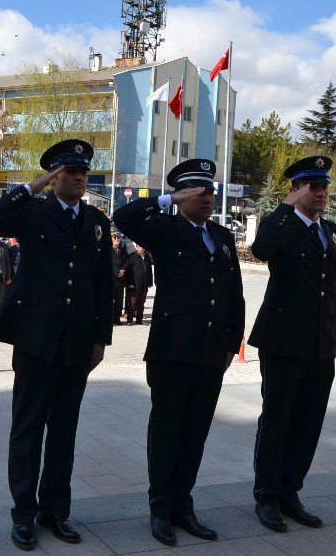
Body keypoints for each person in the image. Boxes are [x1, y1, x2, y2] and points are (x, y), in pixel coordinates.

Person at [0, 139, 113, 550]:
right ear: (54, 177)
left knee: (64, 431)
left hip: (77, 342)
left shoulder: (95, 220)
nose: (77, 177)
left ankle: (54, 511)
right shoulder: (33, 211)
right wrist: (33, 186)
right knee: (28, 429)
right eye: (68, 171)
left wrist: (100, 337)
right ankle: (23, 515)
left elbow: (101, 282)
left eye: (82, 172)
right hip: (36, 340)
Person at [113, 158, 246, 546]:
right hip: (173, 351)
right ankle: (160, 509)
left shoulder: (221, 236)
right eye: (199, 191)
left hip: (210, 352)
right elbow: (124, 215)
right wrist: (167, 198)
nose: (207, 197)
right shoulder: (164, 229)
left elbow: (233, 294)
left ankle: (183, 505)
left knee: (195, 433)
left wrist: (231, 342)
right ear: (184, 194)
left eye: (210, 190)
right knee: (167, 432)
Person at [249, 155, 336, 533]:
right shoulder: (283, 227)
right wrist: (283, 208)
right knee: (277, 420)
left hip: (322, 347)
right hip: (283, 343)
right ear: (296, 189)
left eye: (324, 186)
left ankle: (291, 493)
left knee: (308, 423)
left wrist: (335, 339)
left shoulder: (332, 231)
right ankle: (267, 496)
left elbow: (334, 292)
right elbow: (261, 250)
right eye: (312, 186)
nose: (321, 193)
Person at [124, 243, 154, 325]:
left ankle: (139, 320)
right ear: (137, 247)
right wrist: (130, 282)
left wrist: (150, 282)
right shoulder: (132, 256)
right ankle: (129, 320)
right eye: (140, 247)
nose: (142, 249)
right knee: (132, 303)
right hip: (134, 284)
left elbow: (149, 271)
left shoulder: (147, 256)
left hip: (144, 284)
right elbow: (129, 272)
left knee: (141, 303)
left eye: (143, 247)